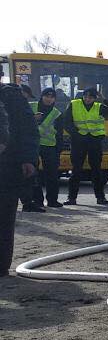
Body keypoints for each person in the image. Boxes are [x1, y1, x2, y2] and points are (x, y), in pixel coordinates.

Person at [0, 82, 39, 277]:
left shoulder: (12, 97)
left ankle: (1, 265)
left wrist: (28, 159)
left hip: (8, 166)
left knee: (4, 217)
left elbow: (28, 130)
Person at [62, 86, 108, 206]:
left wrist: (104, 98)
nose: (87, 99)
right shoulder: (74, 104)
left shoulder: (99, 107)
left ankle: (100, 198)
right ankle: (71, 198)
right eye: (86, 96)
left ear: (95, 98)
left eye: (91, 97)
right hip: (79, 141)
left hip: (94, 141)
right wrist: (76, 134)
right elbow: (66, 122)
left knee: (97, 171)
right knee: (76, 170)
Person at [27, 88, 65, 210]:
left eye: (52, 97)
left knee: (52, 174)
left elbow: (59, 133)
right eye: (46, 96)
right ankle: (37, 200)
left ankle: (53, 200)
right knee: (33, 173)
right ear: (42, 96)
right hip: (32, 145)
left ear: (54, 99)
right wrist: (33, 118)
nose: (49, 99)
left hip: (50, 147)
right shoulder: (31, 107)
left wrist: (59, 149)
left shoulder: (57, 113)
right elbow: (21, 121)